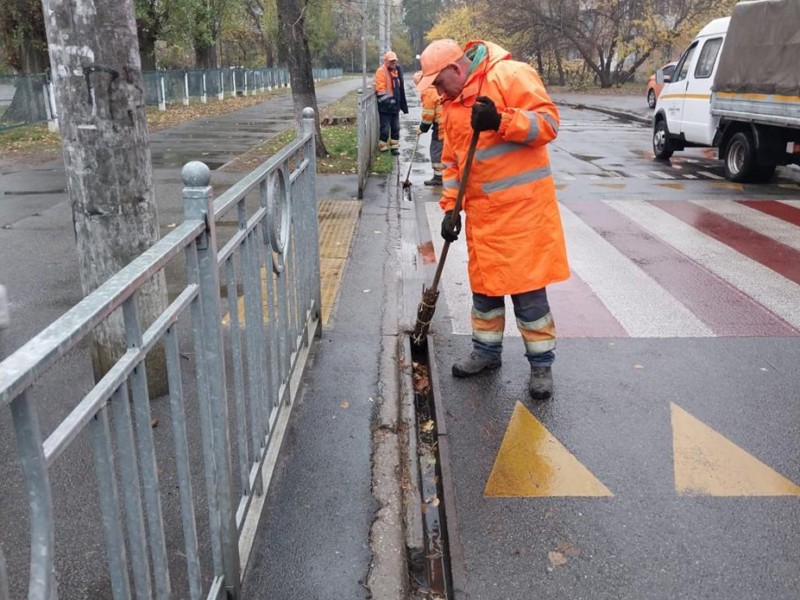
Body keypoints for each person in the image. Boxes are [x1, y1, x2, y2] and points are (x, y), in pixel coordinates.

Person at [415, 39, 570, 400]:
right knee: (484, 291)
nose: (437, 91)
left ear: (455, 69)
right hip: (483, 219)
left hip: (522, 215)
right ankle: (486, 353)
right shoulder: (452, 105)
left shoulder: (510, 75)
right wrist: (451, 209)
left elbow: (548, 124)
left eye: (438, 82)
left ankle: (541, 366)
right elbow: (453, 165)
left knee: (529, 297)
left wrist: (500, 120)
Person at [413, 71, 444, 186]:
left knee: (436, 150)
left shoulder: (428, 91)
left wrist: (422, 128)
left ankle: (438, 177)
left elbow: (428, 114)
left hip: (441, 126)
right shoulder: (436, 87)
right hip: (449, 123)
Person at [374, 51, 408, 155]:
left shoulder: (396, 71)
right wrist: (390, 101)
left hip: (395, 106)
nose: (393, 63)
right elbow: (381, 90)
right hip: (385, 107)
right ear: (386, 61)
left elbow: (399, 88)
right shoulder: (381, 71)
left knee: (396, 128)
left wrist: (397, 103)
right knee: (385, 129)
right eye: (391, 61)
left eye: (394, 61)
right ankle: (383, 146)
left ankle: (394, 147)